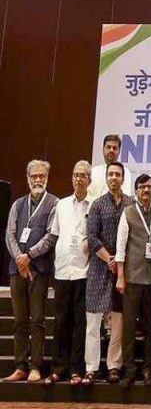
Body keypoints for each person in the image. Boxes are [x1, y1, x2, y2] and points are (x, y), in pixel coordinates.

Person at [4, 160, 58, 384]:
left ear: (47, 178)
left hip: (40, 270)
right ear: (27, 178)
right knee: (19, 321)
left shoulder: (54, 204)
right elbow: (10, 234)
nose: (37, 180)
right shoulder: (18, 204)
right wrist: (20, 259)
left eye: (41, 176)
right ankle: (20, 366)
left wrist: (29, 256)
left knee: (37, 320)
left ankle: (36, 366)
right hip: (17, 270)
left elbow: (51, 236)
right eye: (34, 176)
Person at [115, 174, 151, 387]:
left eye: (149, 186)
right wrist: (120, 277)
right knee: (128, 328)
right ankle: (129, 369)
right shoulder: (128, 212)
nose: (146, 190)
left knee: (150, 327)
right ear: (135, 191)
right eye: (142, 187)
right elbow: (120, 247)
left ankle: (148, 368)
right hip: (132, 278)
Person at [47, 161, 92, 385]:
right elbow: (54, 234)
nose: (78, 179)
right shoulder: (61, 205)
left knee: (79, 323)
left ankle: (76, 369)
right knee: (60, 321)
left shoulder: (94, 206)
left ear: (89, 180)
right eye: (75, 175)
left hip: (84, 271)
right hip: (63, 270)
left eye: (83, 175)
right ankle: (58, 368)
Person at [85, 161, 128, 385]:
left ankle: (114, 365)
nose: (114, 178)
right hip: (99, 268)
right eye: (111, 174)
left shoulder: (130, 204)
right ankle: (91, 367)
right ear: (106, 178)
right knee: (93, 320)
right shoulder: (97, 204)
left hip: (121, 270)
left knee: (118, 321)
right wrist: (109, 258)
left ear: (123, 178)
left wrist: (118, 262)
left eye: (117, 174)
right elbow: (91, 236)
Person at [87, 134, 133, 201]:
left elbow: (124, 198)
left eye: (114, 148)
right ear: (103, 149)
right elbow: (88, 196)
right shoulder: (93, 171)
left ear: (119, 151)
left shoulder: (125, 172)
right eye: (108, 147)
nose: (111, 150)